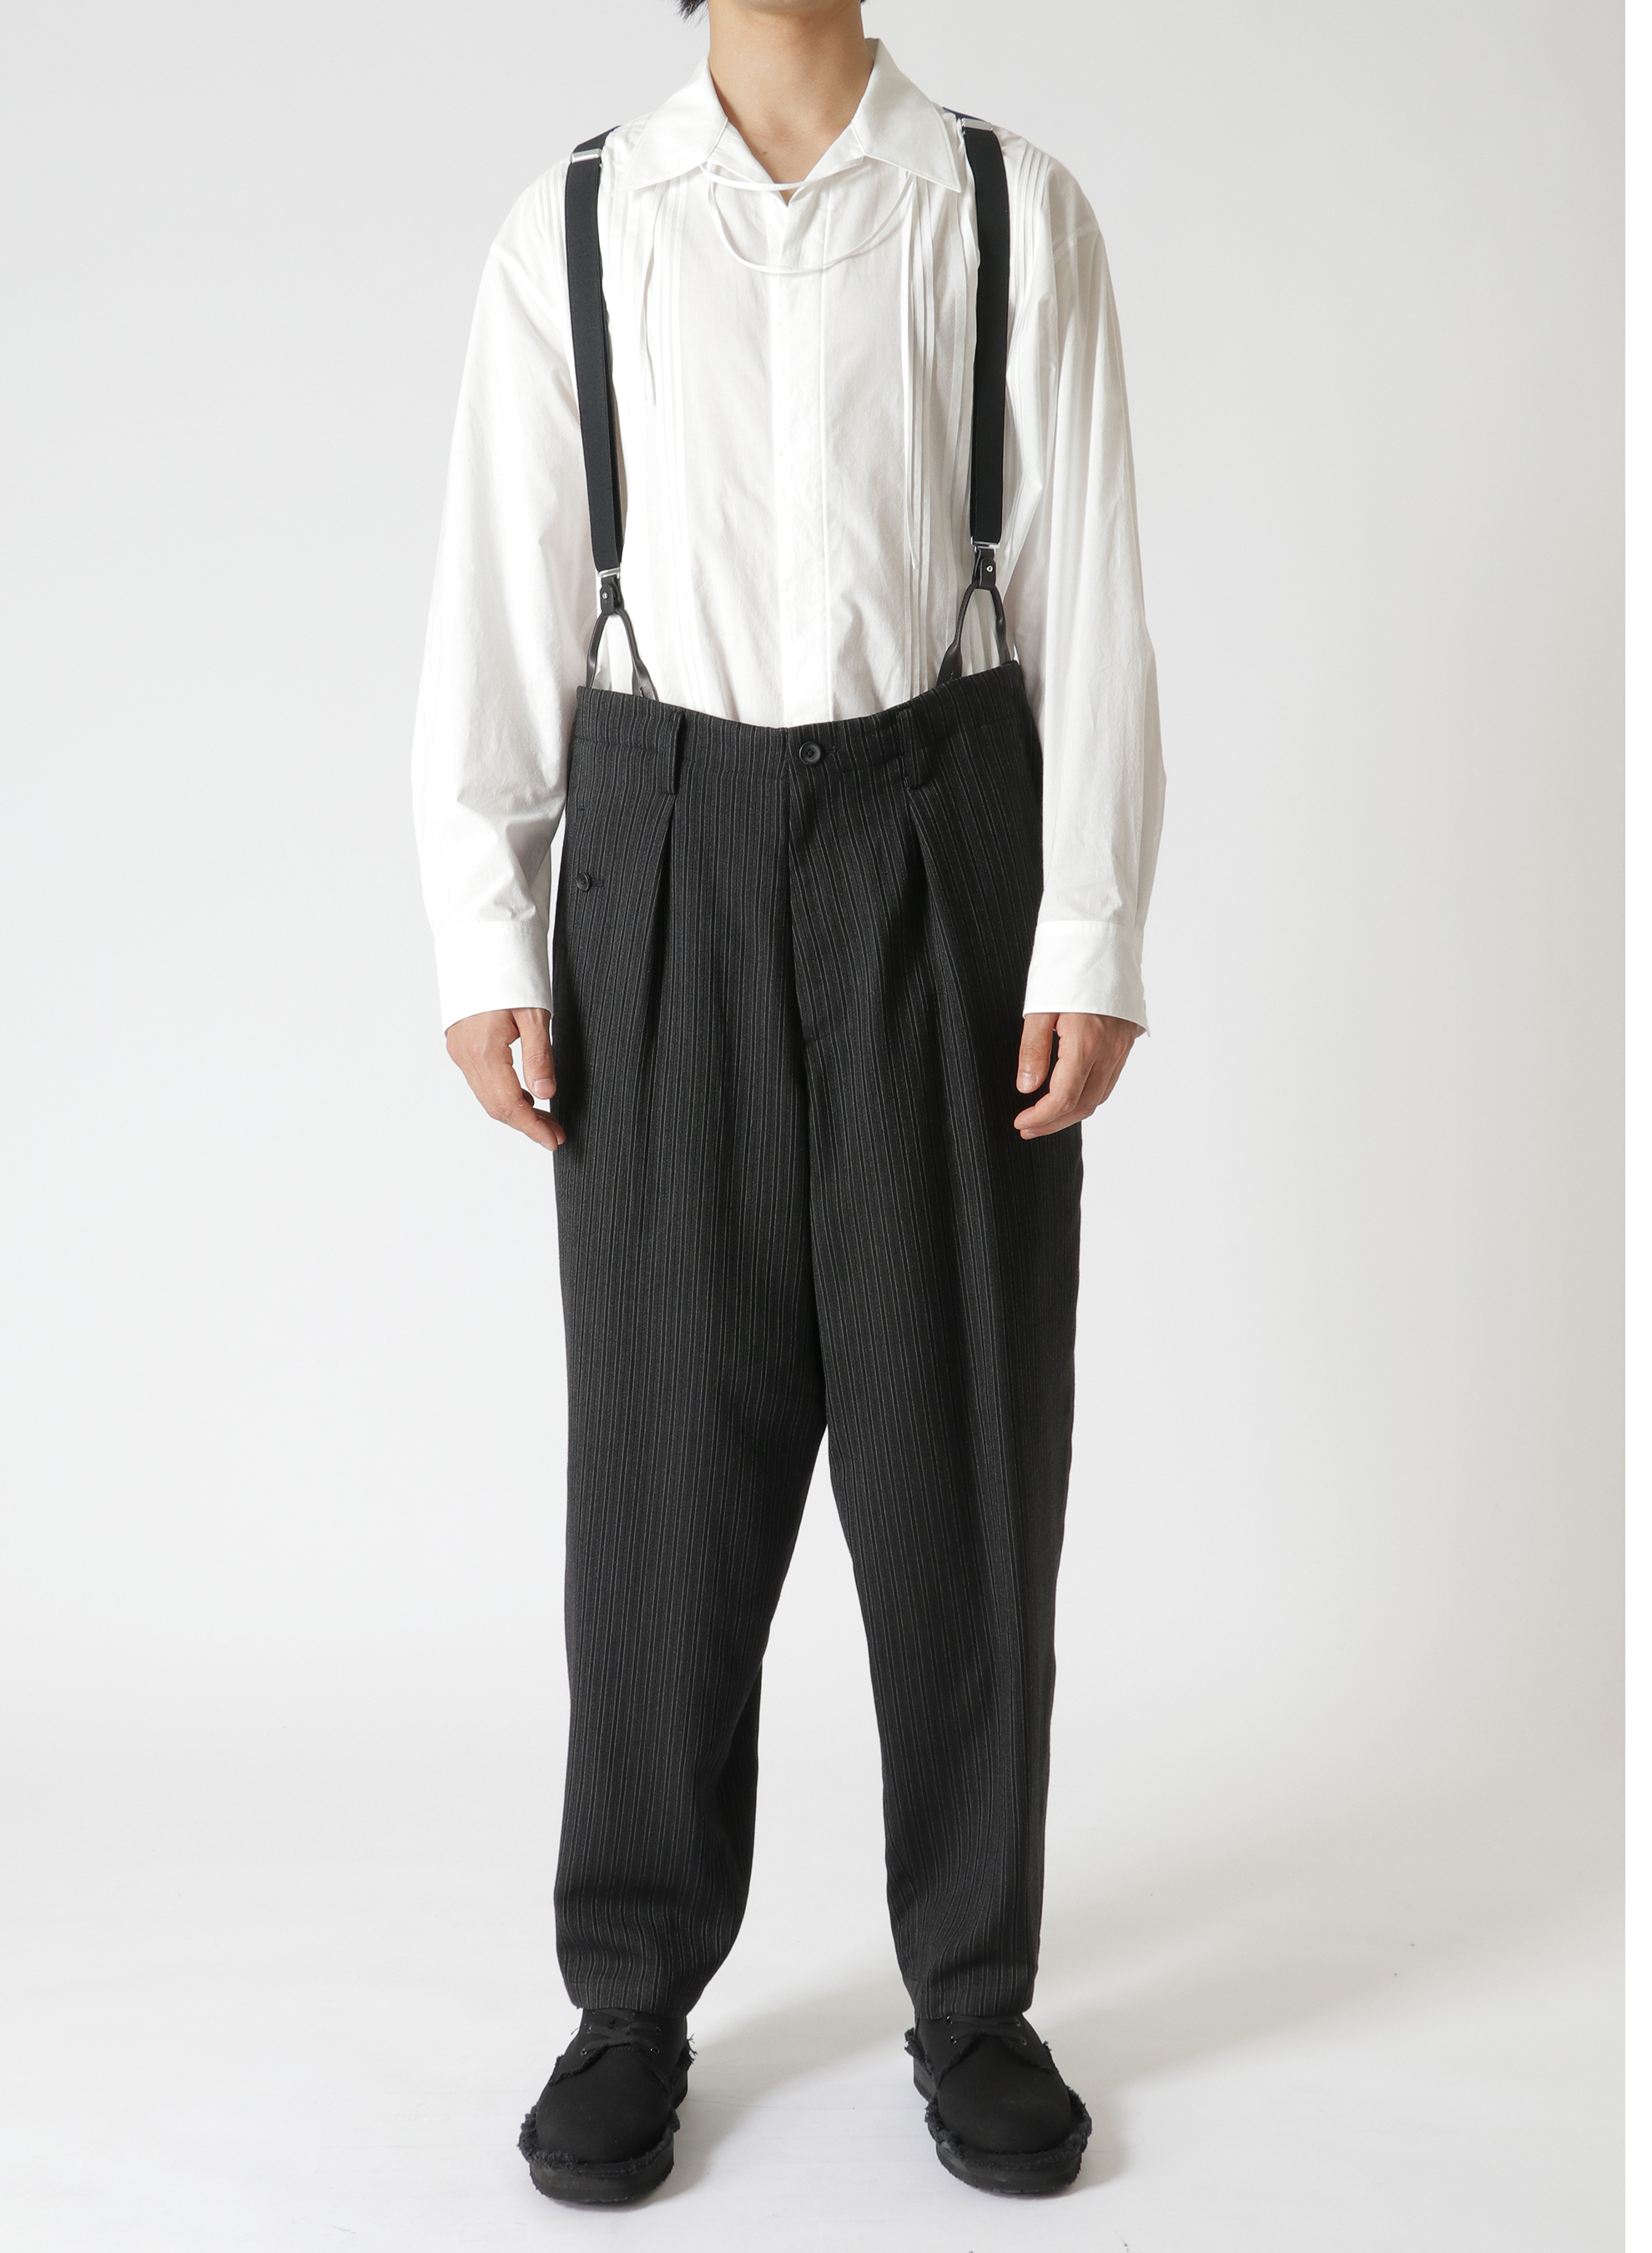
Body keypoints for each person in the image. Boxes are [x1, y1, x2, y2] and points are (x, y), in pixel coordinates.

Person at [412, 0, 1163, 2206]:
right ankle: (629, 1996)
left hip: (946, 827)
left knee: (964, 1455)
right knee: (667, 1460)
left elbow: (1091, 594)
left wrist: (1092, 929)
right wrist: (484, 929)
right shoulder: (578, 225)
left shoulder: (1006, 209)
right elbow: (503, 585)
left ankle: (975, 1996)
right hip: (662, 847)